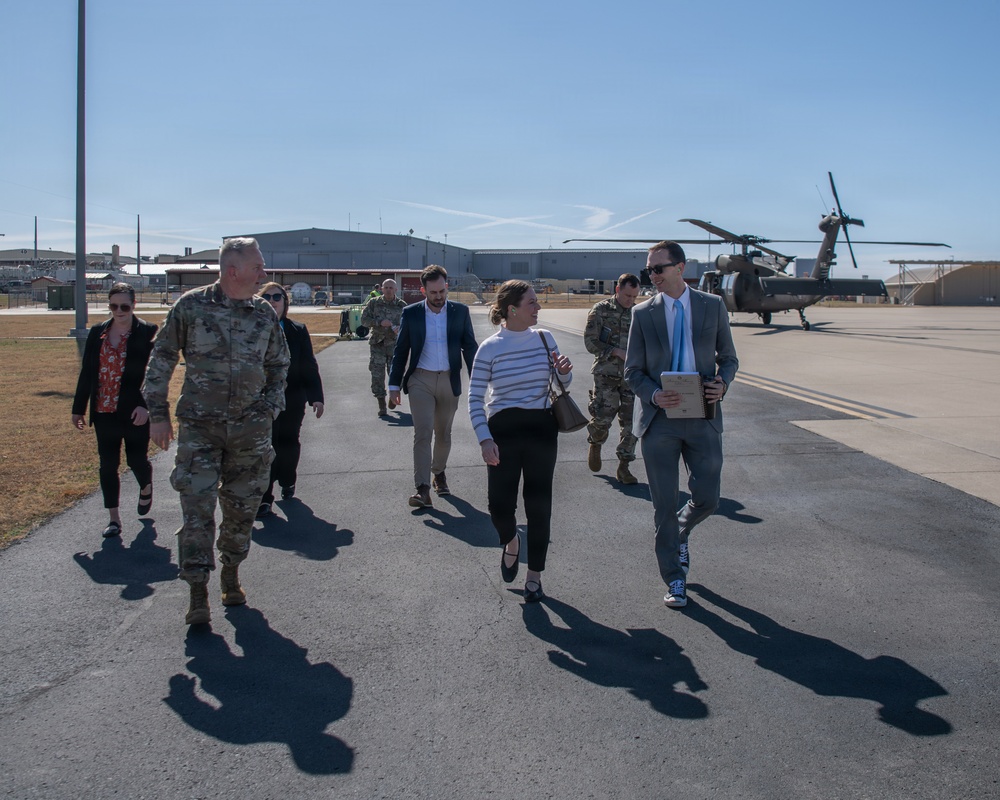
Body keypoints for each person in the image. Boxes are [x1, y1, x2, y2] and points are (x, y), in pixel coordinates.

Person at [143, 237, 290, 626]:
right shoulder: (191, 306)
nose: (264, 273)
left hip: (250, 432)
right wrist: (157, 413)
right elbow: (161, 358)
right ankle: (196, 592)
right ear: (232, 270)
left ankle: (231, 572)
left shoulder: (263, 314)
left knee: (241, 512)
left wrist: (270, 408)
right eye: (257, 266)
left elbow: (279, 365)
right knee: (197, 511)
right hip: (200, 430)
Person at [624, 241, 738, 609]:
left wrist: (723, 383)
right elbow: (632, 372)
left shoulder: (712, 305)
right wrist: (654, 395)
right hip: (660, 420)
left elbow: (729, 359)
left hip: (703, 414)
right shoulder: (643, 314)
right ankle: (674, 578)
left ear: (680, 268)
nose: (652, 276)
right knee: (663, 504)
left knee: (708, 499)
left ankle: (681, 529)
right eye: (649, 271)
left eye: (659, 269)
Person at [469, 280, 573, 603]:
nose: (538, 307)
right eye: (532, 303)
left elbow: (561, 383)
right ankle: (511, 540)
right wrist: (484, 439)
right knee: (499, 506)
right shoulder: (489, 348)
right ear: (512, 309)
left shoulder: (545, 338)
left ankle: (534, 577)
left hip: (542, 428)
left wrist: (565, 372)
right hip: (502, 432)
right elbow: (474, 399)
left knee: (539, 506)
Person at [72, 282, 158, 538]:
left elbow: (156, 375)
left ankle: (146, 485)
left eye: (124, 306)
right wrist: (78, 408)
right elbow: (87, 372)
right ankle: (114, 519)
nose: (118, 311)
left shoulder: (147, 332)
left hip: (134, 412)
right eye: (113, 306)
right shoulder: (98, 331)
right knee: (107, 465)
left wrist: (147, 407)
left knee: (136, 461)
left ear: (134, 305)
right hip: (103, 411)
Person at [388, 265, 477, 508]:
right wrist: (394, 384)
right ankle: (423, 489)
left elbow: (469, 347)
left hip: (449, 379)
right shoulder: (412, 313)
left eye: (442, 291)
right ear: (423, 290)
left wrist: (479, 378)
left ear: (446, 287)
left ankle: (438, 472)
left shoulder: (460, 311)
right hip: (420, 380)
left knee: (444, 434)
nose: (438, 297)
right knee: (423, 432)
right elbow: (401, 350)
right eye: (433, 292)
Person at [255, 282, 324, 519]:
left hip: (292, 396)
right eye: (267, 297)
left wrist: (316, 397)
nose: (273, 300)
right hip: (261, 400)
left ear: (285, 302)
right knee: (266, 446)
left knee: (289, 442)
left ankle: (287, 479)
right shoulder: (250, 329)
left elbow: (308, 364)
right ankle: (264, 498)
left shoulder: (297, 329)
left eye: (277, 297)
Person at [583, 273, 641, 485]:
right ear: (617, 290)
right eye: (627, 295)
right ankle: (596, 443)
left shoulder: (638, 313)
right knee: (602, 418)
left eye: (635, 296)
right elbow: (590, 343)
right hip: (606, 374)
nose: (631, 301)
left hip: (632, 377)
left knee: (631, 424)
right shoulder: (600, 310)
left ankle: (624, 467)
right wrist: (614, 350)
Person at [360, 278, 406, 416]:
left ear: (396, 290)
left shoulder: (402, 305)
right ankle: (381, 405)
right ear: (381, 289)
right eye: (386, 287)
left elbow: (409, 324)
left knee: (397, 375)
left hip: (394, 345)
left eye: (391, 288)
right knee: (377, 376)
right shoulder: (374, 303)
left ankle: (394, 397)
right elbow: (364, 320)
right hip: (377, 345)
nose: (388, 290)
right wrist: (379, 322)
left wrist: (400, 329)